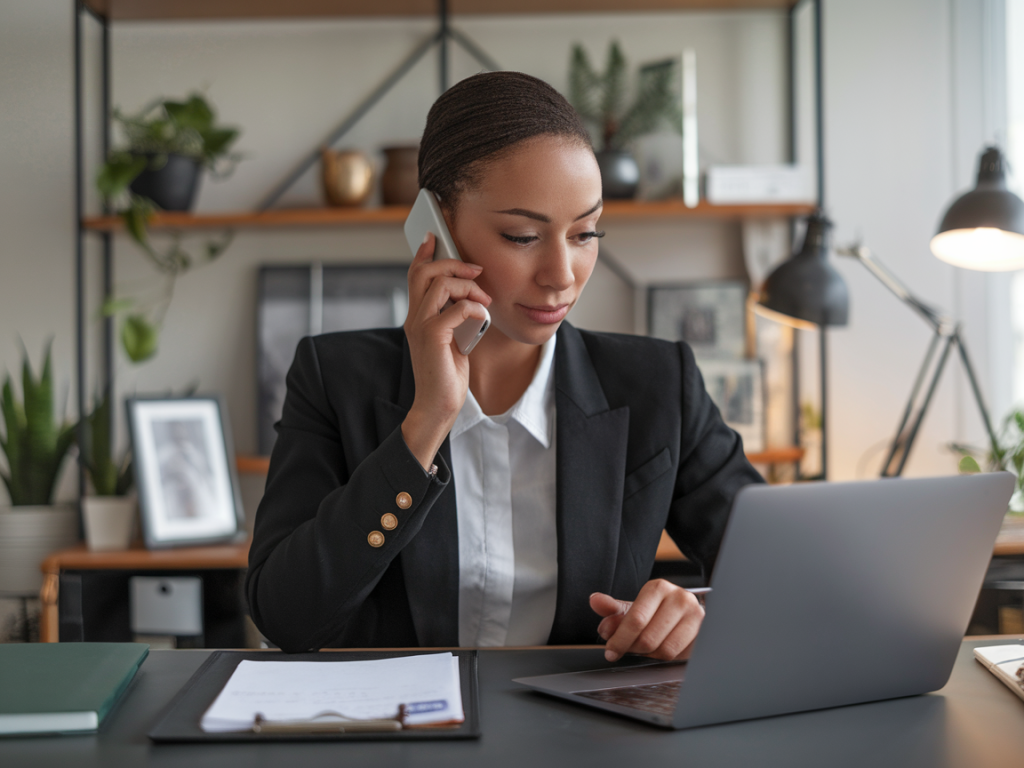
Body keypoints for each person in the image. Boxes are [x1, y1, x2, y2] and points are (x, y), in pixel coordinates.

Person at [246, 71, 763, 658]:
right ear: (437, 227)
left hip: (583, 743)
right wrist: (425, 425)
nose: (563, 275)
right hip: (403, 742)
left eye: (586, 232)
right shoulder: (332, 377)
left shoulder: (658, 385)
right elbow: (285, 617)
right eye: (522, 236)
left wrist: (691, 613)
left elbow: (783, 580)